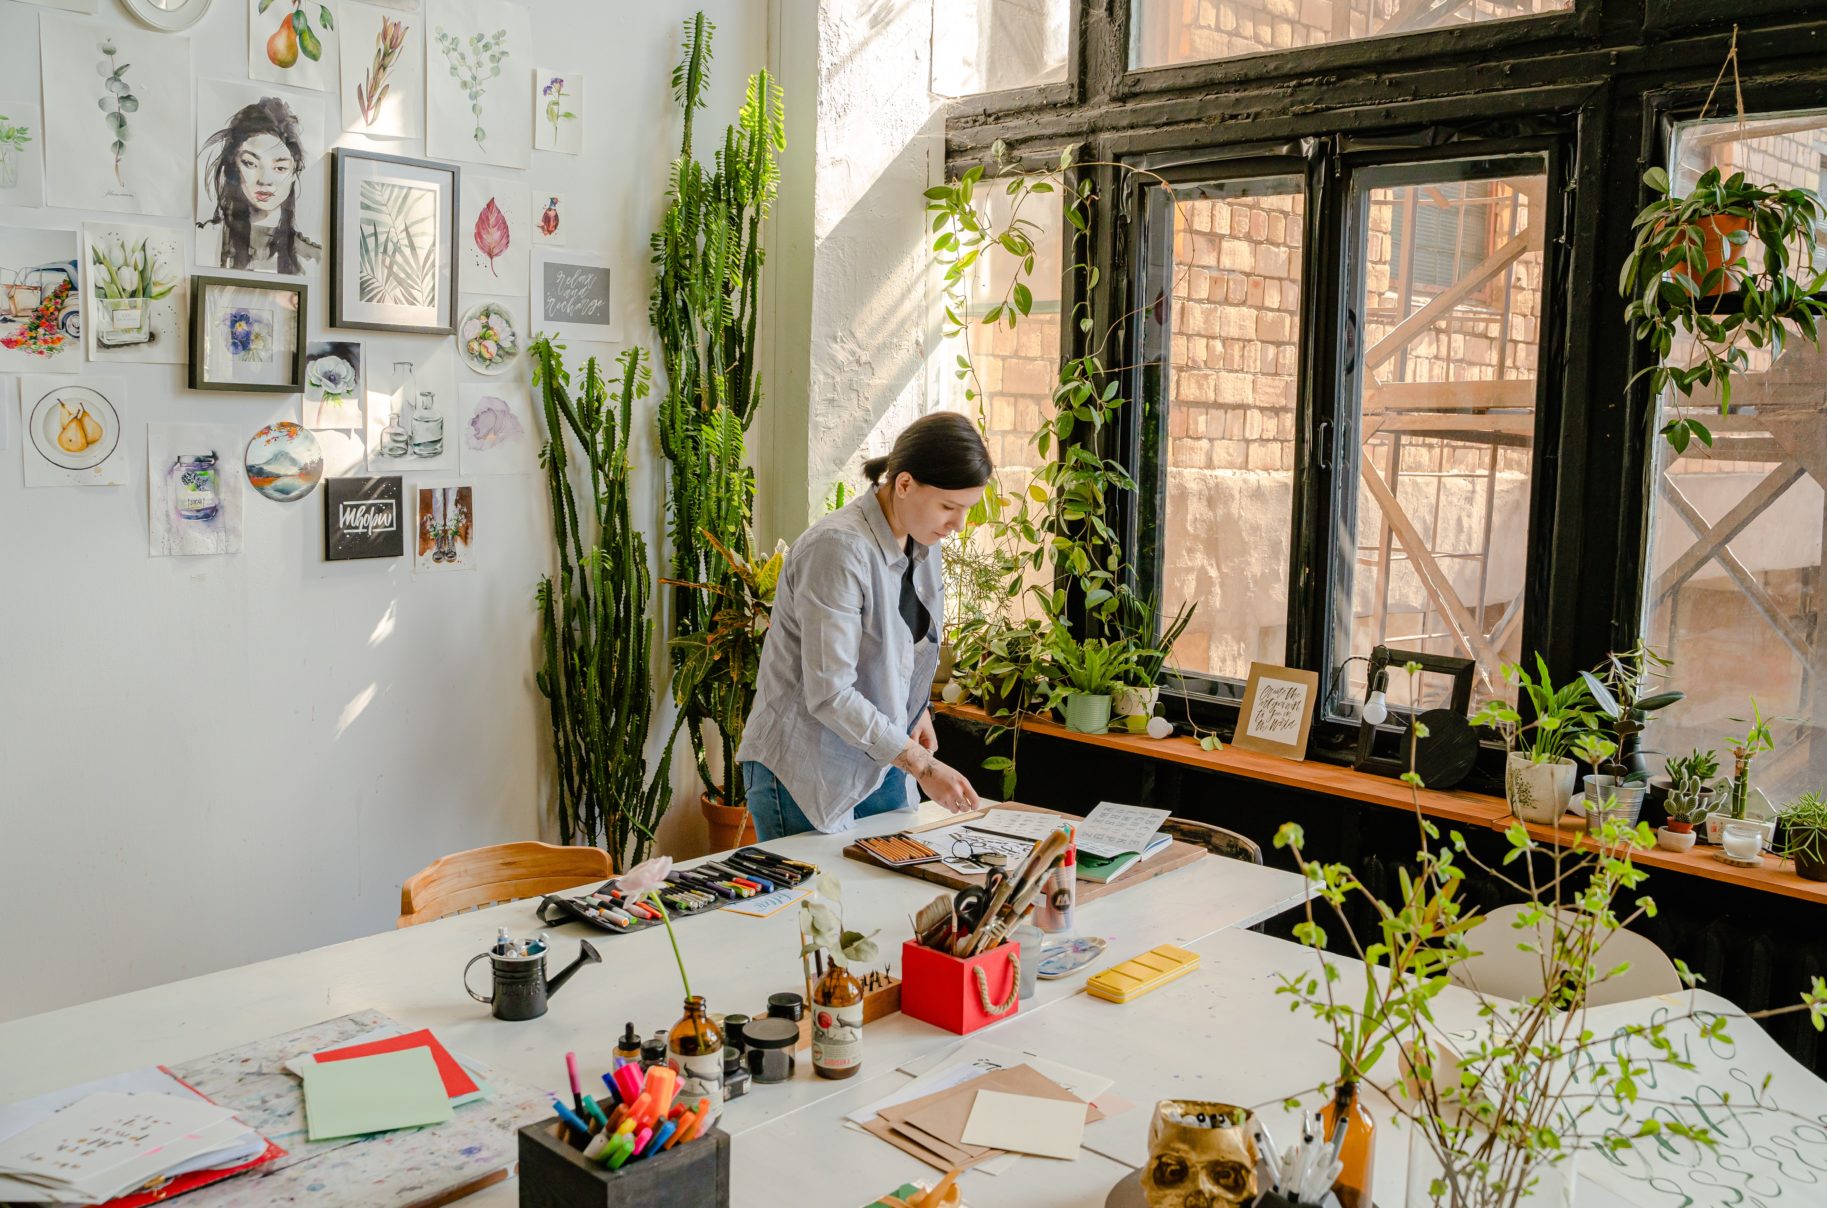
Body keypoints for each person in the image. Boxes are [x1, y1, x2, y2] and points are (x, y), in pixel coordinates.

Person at [737, 412, 993, 840]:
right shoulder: (837, 550)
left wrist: (918, 711)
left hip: (884, 759)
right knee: (817, 907)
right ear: (905, 484)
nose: (958, 525)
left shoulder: (922, 541)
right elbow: (831, 692)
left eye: (966, 509)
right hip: (809, 771)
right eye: (949, 506)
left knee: (886, 901)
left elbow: (904, 649)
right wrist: (924, 765)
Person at [196, 97, 321, 275]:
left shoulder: (310, 258)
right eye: (250, 164)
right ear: (234, 165)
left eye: (279, 168)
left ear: (294, 172)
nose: (265, 180)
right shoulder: (205, 240)